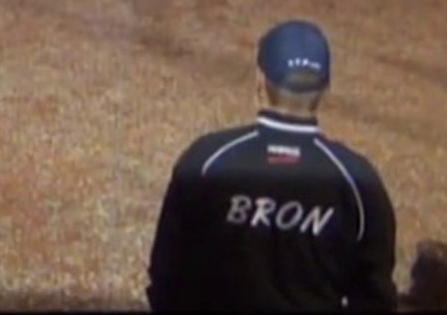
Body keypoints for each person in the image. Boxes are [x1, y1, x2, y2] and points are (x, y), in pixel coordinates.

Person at [147, 20, 398, 311]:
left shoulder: (207, 161)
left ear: (260, 81)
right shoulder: (359, 182)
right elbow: (375, 296)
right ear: (325, 90)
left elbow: (166, 275)